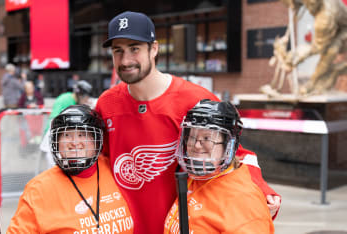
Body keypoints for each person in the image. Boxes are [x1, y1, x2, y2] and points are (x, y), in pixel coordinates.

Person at [95, 11, 281, 234]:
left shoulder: (195, 100)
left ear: (154, 49)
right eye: (118, 51)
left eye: (134, 48)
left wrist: (261, 187)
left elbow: (235, 153)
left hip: (180, 226)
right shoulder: (107, 104)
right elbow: (99, 162)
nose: (126, 60)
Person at [7, 105, 134, 233]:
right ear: (56, 141)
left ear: (96, 141)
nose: (74, 142)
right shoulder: (38, 189)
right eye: (67, 135)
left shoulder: (117, 170)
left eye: (82, 134)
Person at [164, 100, 274, 233]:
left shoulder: (243, 200)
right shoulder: (197, 179)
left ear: (229, 145)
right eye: (192, 137)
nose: (197, 145)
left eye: (207, 138)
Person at [40, 79, 96, 167]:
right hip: (54, 133)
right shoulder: (66, 100)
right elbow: (55, 119)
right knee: (53, 163)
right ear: (80, 95)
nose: (86, 99)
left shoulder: (71, 99)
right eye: (85, 97)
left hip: (60, 133)